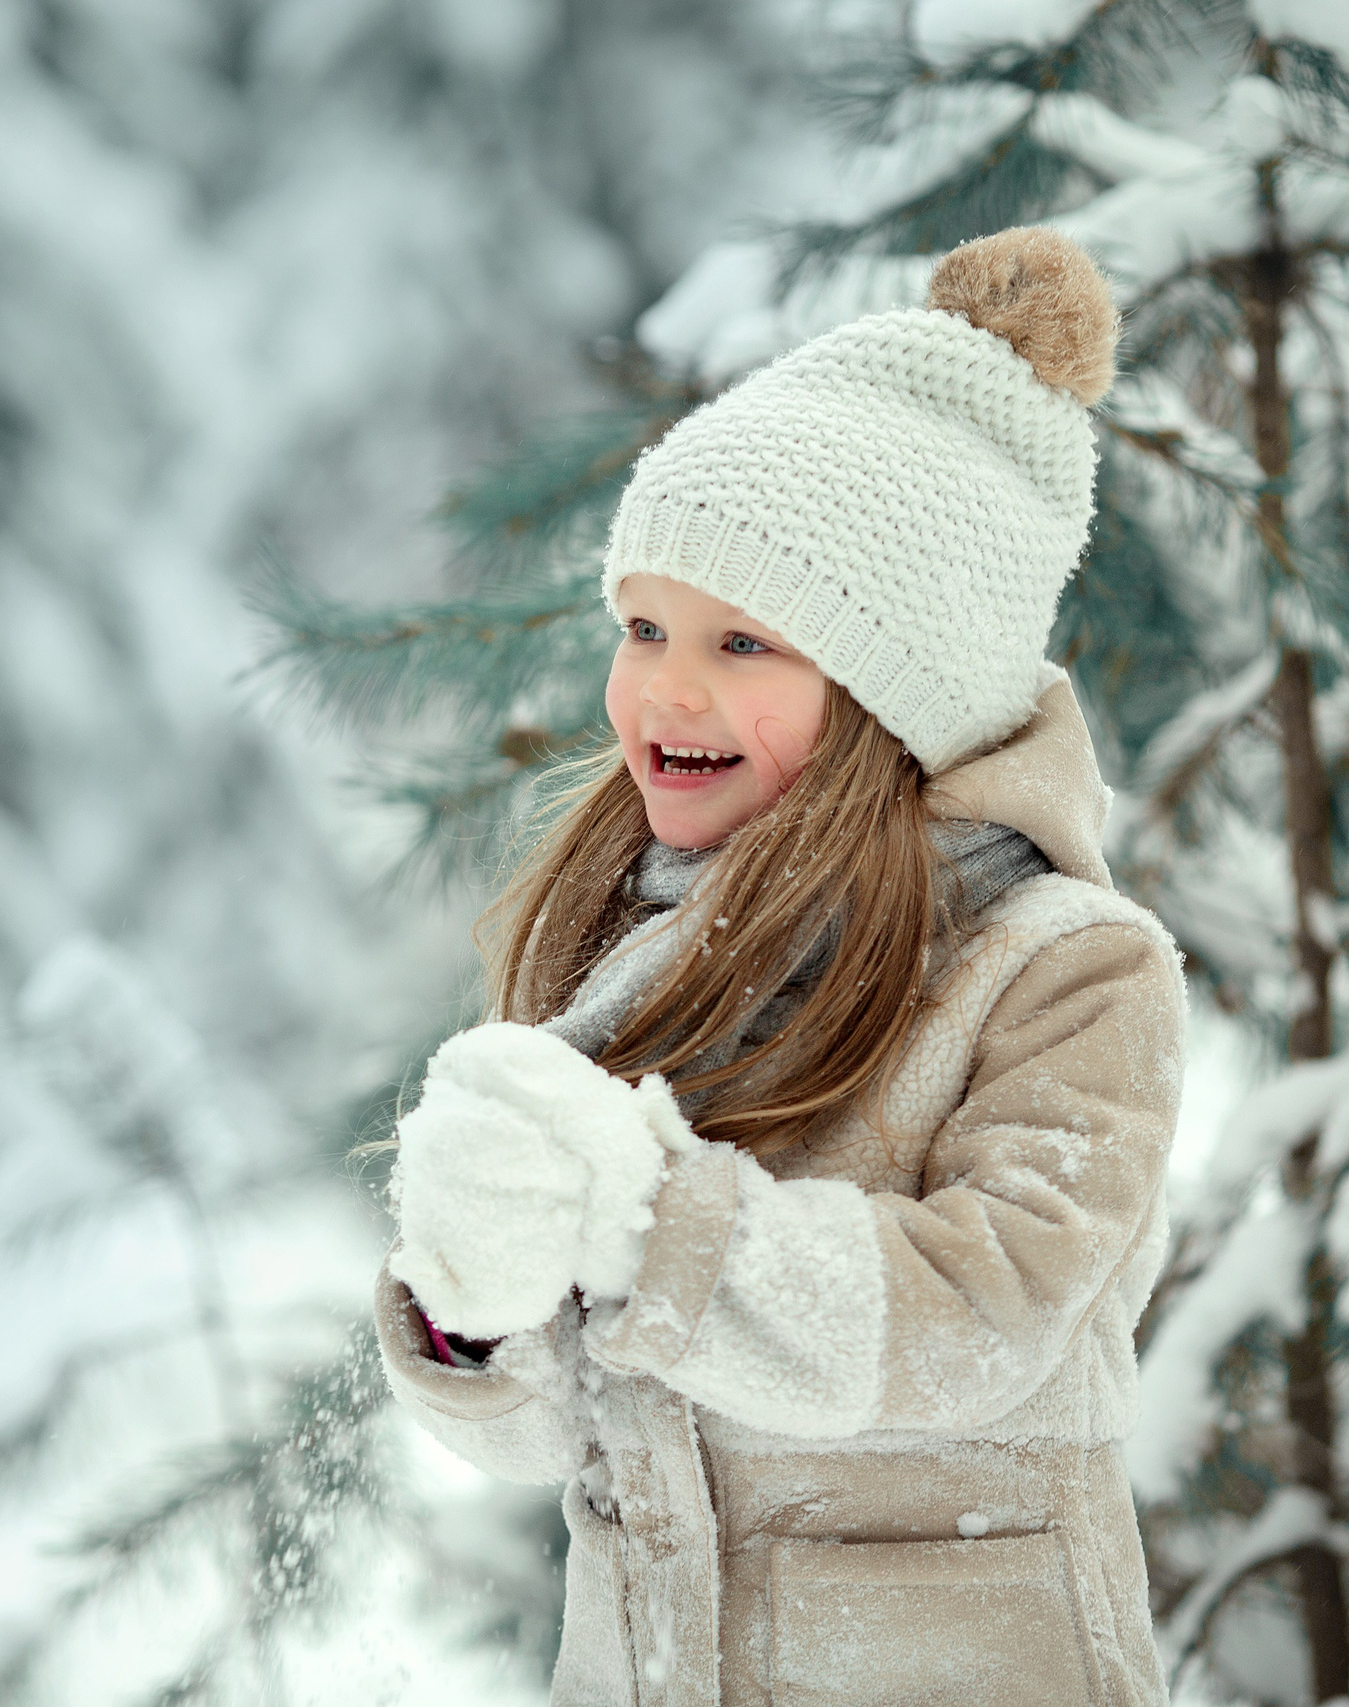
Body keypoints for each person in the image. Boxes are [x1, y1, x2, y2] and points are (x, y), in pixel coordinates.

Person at [375, 225, 1184, 1707]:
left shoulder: (1068, 974)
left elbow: (984, 1317)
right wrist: (474, 1304)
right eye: (643, 626)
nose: (663, 686)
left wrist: (638, 1222)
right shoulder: (627, 950)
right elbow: (544, 1439)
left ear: (897, 681)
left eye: (745, 641)